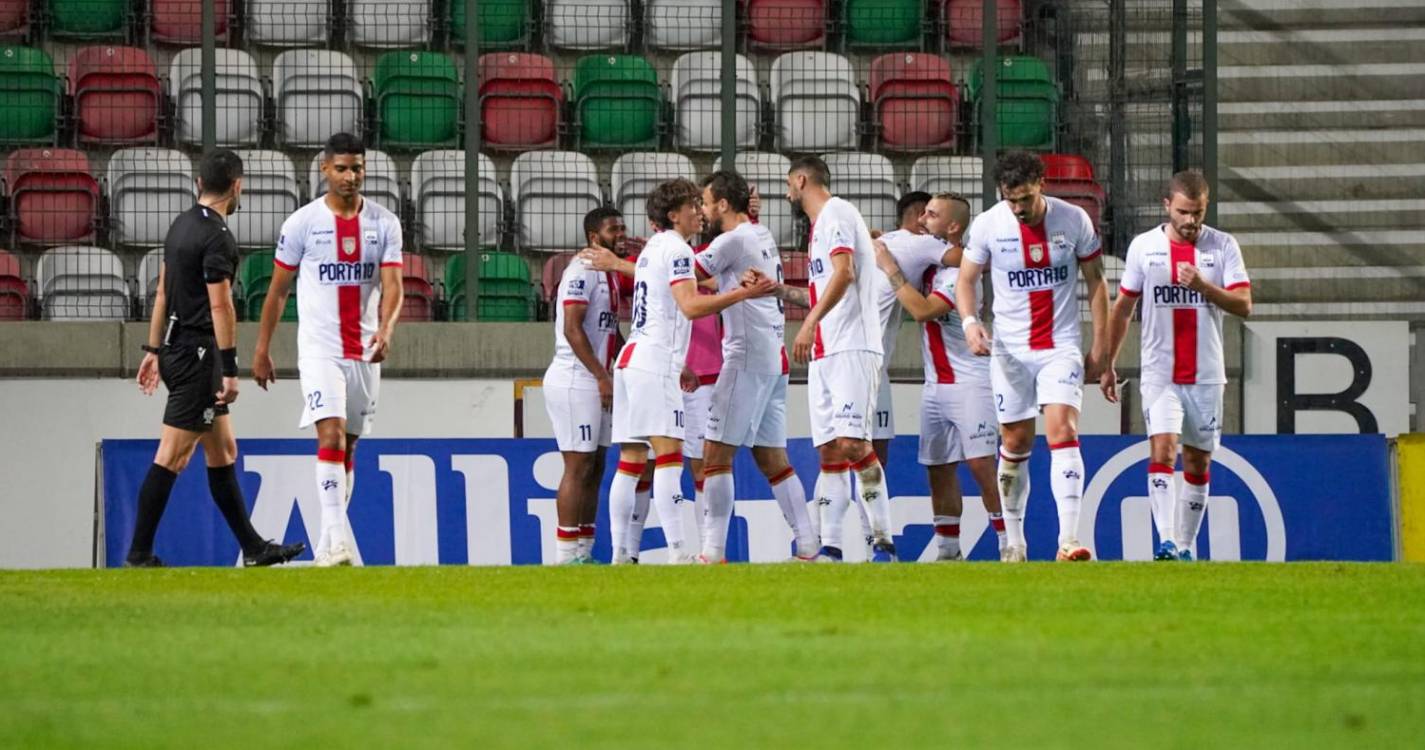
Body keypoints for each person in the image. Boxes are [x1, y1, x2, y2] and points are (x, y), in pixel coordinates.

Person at [127, 149, 304, 568]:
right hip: (198, 356)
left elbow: (164, 293)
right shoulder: (217, 237)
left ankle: (254, 547)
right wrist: (229, 369)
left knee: (223, 450)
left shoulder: (181, 226)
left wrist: (153, 350)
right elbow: (221, 307)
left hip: (174, 348)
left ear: (199, 184)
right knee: (172, 454)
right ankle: (137, 553)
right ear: (237, 186)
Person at [251, 133, 404, 567]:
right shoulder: (302, 223)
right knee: (331, 434)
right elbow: (278, 292)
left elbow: (393, 286)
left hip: (365, 350)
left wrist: (388, 329)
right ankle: (337, 542)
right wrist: (262, 348)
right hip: (319, 350)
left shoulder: (384, 223)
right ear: (324, 170)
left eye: (357, 168)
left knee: (350, 447)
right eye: (341, 168)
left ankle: (329, 543)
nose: (350, 176)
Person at [607, 178, 778, 564]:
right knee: (669, 456)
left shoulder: (652, 248)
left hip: (633, 358)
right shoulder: (679, 250)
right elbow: (690, 306)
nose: (699, 212)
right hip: (654, 362)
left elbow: (659, 309)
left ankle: (620, 555)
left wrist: (682, 363)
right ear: (673, 215)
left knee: (632, 459)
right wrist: (742, 294)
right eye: (691, 206)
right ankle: (679, 552)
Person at [955, 151, 1110, 562]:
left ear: (1041, 183)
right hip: (1009, 352)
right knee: (1015, 440)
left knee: (1062, 430)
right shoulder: (989, 224)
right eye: (1011, 200)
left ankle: (1069, 540)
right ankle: (1015, 543)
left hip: (1060, 345)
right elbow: (966, 280)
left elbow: (1097, 283)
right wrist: (970, 323)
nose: (1019, 209)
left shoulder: (1074, 219)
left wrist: (1102, 348)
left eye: (1025, 198)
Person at [1101, 169, 1252, 561]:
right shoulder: (1143, 247)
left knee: (1199, 460)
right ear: (1167, 205)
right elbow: (1123, 307)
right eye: (1184, 211)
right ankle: (1166, 541)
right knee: (1163, 451)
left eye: (1198, 212)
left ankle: (1186, 548)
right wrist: (1109, 363)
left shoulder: (1223, 247)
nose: (1191, 221)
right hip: (1160, 373)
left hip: (1205, 373)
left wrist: (1203, 286)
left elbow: (1244, 305)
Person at [691, 170, 820, 563]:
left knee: (714, 454)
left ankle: (712, 552)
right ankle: (809, 546)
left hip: (745, 358)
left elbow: (684, 276)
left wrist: (628, 264)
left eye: (705, 202)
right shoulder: (758, 234)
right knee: (772, 459)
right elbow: (723, 280)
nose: (702, 210)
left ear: (723, 205)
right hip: (772, 359)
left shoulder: (732, 240)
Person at [773, 156, 895, 563]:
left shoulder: (837, 213)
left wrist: (807, 324)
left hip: (852, 346)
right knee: (829, 451)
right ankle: (833, 548)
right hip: (827, 350)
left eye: (790, 183)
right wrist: (776, 289)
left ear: (801, 179)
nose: (788, 191)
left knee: (852, 443)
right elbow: (823, 289)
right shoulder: (819, 228)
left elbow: (845, 274)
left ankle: (883, 543)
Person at [873, 193, 1007, 561]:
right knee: (938, 468)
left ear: (953, 227)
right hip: (935, 385)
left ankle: (1009, 541)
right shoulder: (930, 265)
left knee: (980, 465)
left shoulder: (958, 275)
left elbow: (923, 311)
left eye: (931, 215)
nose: (922, 219)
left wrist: (890, 267)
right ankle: (949, 552)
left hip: (970, 383)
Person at [544, 207, 630, 564]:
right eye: (614, 230)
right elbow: (572, 329)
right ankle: (565, 556)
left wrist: (625, 362)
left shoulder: (607, 274)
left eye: (623, 228)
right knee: (578, 467)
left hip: (599, 378)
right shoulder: (580, 271)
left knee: (596, 466)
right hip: (575, 378)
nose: (622, 234)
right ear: (594, 237)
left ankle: (585, 551)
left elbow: (611, 330)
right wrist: (600, 375)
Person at [870, 190, 957, 465]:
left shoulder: (884, 241)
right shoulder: (923, 244)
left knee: (866, 455)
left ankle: (864, 509)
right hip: (865, 364)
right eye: (932, 214)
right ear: (922, 217)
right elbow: (975, 263)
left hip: (871, 363)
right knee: (870, 457)